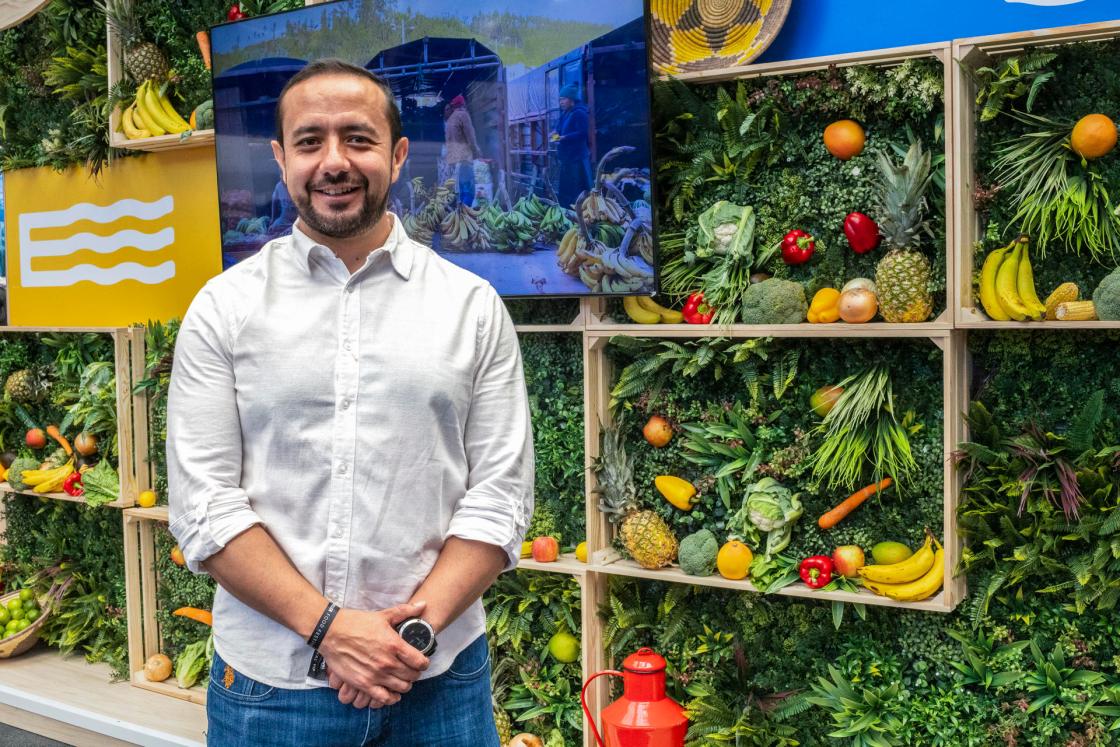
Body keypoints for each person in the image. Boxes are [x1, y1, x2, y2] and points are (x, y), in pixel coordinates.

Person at [167, 58, 533, 746]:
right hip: (272, 691)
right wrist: (332, 629)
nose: (334, 161)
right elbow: (204, 507)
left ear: (397, 156)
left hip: (438, 679)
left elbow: (501, 496)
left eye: (358, 139)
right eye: (310, 141)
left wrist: (402, 639)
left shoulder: (471, 306)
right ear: (281, 160)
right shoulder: (223, 309)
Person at [551, 84, 592, 207]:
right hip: (567, 158)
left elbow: (582, 133)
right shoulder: (565, 113)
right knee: (566, 187)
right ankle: (567, 211)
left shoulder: (580, 113)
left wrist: (564, 138)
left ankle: (581, 212)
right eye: (560, 99)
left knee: (577, 188)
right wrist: (554, 134)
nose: (561, 102)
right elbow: (558, 129)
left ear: (572, 99)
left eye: (563, 99)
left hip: (577, 158)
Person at [443, 93, 482, 207]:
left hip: (454, 159)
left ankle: (459, 213)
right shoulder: (463, 115)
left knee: (459, 188)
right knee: (468, 188)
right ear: (463, 104)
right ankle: (465, 215)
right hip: (464, 157)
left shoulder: (450, 119)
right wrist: (476, 151)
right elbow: (471, 136)